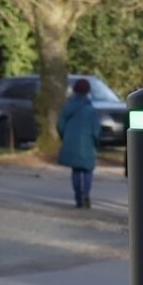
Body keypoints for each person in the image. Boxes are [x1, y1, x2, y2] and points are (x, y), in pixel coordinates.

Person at [56, 78, 100, 209]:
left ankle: (78, 197)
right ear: (88, 91)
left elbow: (60, 125)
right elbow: (96, 130)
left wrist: (66, 136)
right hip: (87, 145)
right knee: (87, 170)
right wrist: (97, 143)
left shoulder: (68, 107)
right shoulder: (90, 110)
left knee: (75, 171)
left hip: (72, 143)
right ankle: (86, 193)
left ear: (74, 90)